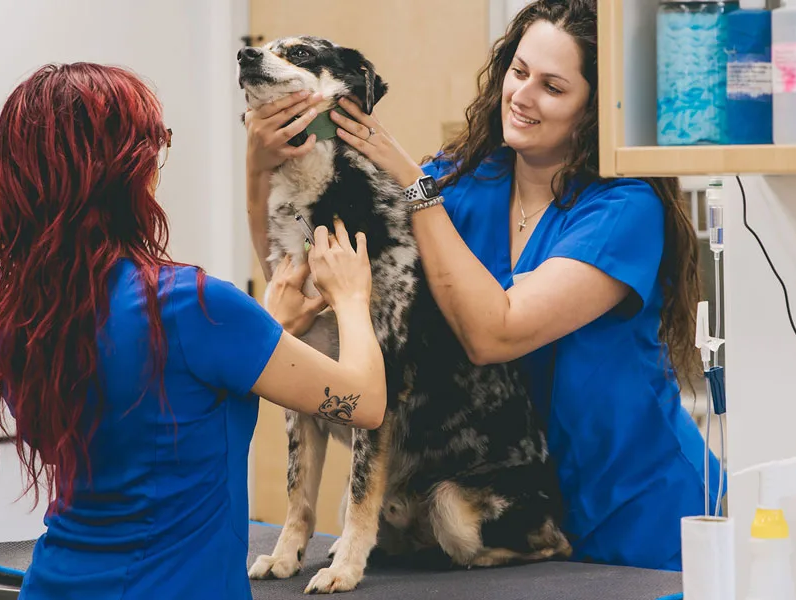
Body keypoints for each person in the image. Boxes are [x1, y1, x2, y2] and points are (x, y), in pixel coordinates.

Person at [243, 0, 723, 572]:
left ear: (595, 108)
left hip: (632, 503)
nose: (522, 96)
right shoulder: (468, 180)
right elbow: (296, 281)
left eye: (553, 87)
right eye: (518, 73)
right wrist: (258, 164)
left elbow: (493, 334)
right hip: (498, 498)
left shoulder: (624, 209)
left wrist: (414, 183)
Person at [0, 62, 387, 600]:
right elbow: (366, 403)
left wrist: (266, 326)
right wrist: (353, 299)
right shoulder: (190, 307)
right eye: (154, 146)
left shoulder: (18, 324)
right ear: (124, 172)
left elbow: (149, 412)